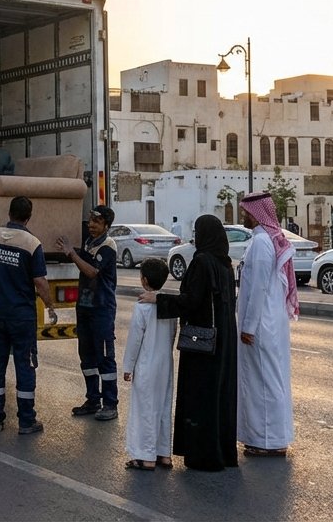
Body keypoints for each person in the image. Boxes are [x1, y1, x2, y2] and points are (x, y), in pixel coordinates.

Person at [138, 214, 238, 471]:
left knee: (200, 396)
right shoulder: (225, 264)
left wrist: (159, 299)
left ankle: (202, 455)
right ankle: (222, 452)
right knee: (218, 397)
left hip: (202, 344)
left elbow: (192, 300)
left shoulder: (202, 262)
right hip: (223, 342)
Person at [0, 196, 58, 435]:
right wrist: (49, 305)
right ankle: (26, 421)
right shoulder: (32, 243)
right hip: (22, 316)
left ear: (9, 213)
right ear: (28, 217)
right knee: (24, 365)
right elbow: (40, 282)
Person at [236, 192, 297, 457]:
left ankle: (269, 441)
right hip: (268, 320)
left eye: (245, 212)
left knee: (264, 382)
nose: (243, 216)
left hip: (262, 323)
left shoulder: (262, 242)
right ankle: (266, 437)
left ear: (255, 214)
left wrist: (248, 327)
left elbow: (258, 288)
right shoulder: (262, 239)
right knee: (266, 379)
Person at [58, 205, 119, 422]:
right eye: (91, 220)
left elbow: (92, 272)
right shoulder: (89, 242)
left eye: (97, 222)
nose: (91, 225)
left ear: (106, 226)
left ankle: (110, 403)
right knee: (87, 356)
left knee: (105, 358)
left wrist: (71, 253)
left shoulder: (107, 246)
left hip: (102, 309)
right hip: (85, 307)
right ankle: (93, 400)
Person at [122, 258, 175, 470]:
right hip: (165, 364)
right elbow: (172, 335)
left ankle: (146, 456)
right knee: (163, 406)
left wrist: (128, 367)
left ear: (144, 280)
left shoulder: (142, 306)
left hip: (146, 364)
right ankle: (164, 454)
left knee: (144, 408)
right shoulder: (169, 306)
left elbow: (135, 340)